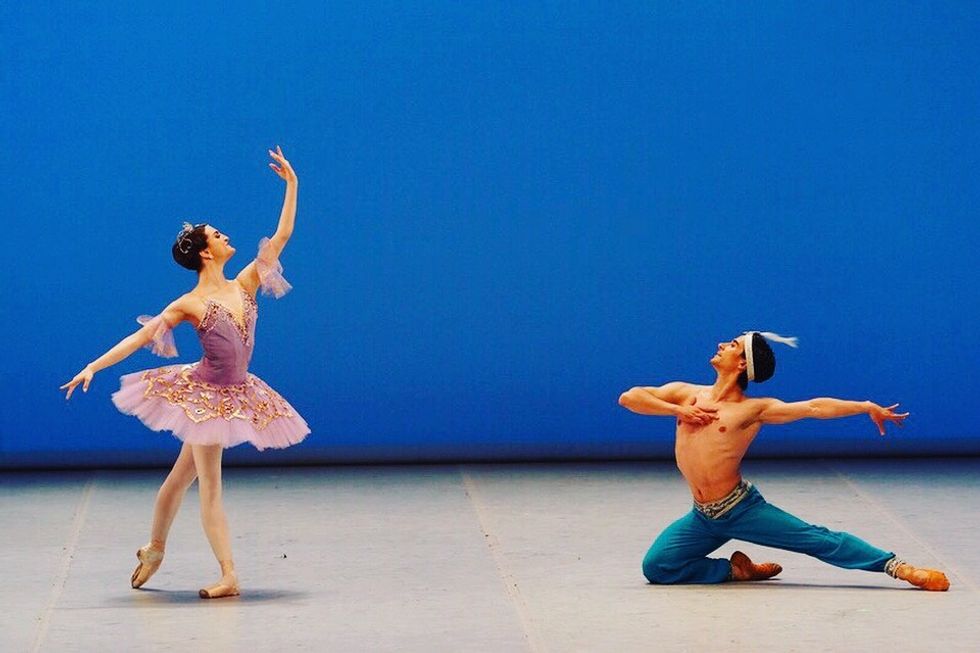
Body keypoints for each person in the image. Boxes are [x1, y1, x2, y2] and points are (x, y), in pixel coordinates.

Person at [61, 146, 310, 599]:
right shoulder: (189, 304)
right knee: (209, 484)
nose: (225, 235)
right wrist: (93, 366)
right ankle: (228, 574)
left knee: (179, 479)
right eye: (217, 235)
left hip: (236, 392)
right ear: (205, 253)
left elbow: (283, 234)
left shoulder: (247, 282)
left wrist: (292, 184)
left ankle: (154, 550)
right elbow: (139, 339)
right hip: (205, 400)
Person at [618, 331, 949, 591]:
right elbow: (630, 396)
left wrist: (865, 406)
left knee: (817, 539)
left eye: (731, 344)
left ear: (743, 363)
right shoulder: (685, 393)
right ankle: (735, 571)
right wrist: (679, 410)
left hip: (740, 509)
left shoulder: (753, 409)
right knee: (658, 567)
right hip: (702, 516)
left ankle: (899, 568)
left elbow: (814, 407)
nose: (721, 344)